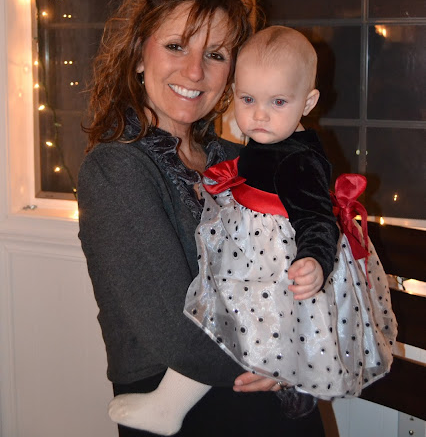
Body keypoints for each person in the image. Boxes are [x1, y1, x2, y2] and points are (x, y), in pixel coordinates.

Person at [78, 0, 327, 437]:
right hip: (183, 405)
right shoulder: (116, 170)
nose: (194, 71)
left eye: (215, 54)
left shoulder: (240, 159)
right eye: (176, 46)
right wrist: (288, 359)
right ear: (139, 54)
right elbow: (174, 332)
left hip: (270, 389)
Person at [108, 26, 397, 435]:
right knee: (221, 312)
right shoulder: (267, 140)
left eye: (278, 102)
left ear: (307, 102)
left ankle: (169, 407)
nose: (260, 114)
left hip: (279, 267)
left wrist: (314, 258)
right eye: (248, 100)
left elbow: (316, 218)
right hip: (256, 258)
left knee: (224, 313)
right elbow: (248, 170)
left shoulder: (299, 160)